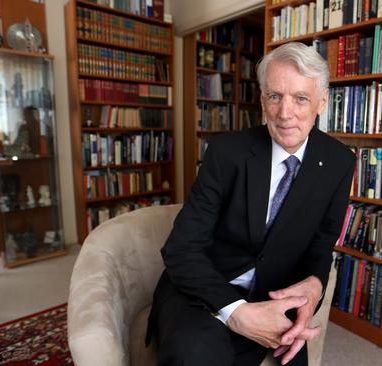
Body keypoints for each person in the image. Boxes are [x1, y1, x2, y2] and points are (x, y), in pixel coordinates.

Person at [145, 42, 355, 366]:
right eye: (275, 96)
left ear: (321, 102)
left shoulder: (339, 162)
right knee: (196, 353)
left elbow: (321, 245)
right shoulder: (226, 153)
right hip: (204, 289)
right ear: (262, 100)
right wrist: (238, 313)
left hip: (271, 294)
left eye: (300, 98)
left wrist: (314, 286)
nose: (285, 113)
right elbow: (180, 248)